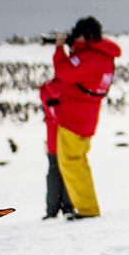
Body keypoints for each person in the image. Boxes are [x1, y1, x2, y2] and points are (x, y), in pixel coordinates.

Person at [49, 16, 119, 218]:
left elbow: (64, 72)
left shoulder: (92, 57)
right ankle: (87, 207)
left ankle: (88, 209)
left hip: (74, 119)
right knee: (78, 163)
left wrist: (59, 49)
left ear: (86, 35)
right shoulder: (100, 55)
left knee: (71, 163)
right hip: (83, 117)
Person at [38, 78, 76, 220]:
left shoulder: (46, 90)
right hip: (65, 134)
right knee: (66, 172)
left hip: (52, 137)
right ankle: (68, 205)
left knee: (53, 172)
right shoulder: (68, 88)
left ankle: (52, 209)